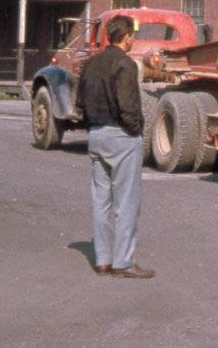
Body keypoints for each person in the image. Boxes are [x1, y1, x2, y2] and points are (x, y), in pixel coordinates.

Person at [77, 14, 154, 278]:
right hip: (121, 137)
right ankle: (124, 262)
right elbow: (128, 106)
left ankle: (102, 261)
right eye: (134, 36)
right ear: (128, 37)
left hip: (95, 135)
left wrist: (93, 128)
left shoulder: (90, 64)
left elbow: (80, 105)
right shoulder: (126, 65)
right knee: (126, 202)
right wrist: (135, 132)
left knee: (101, 201)